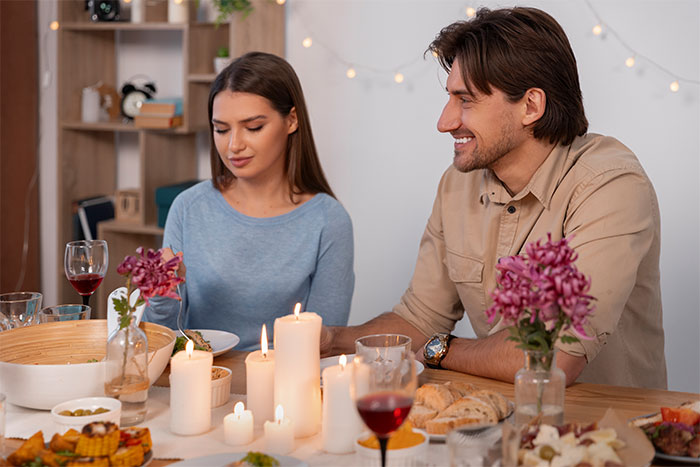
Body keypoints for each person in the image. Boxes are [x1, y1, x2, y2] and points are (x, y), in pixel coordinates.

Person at [320, 7, 666, 389]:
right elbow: (420, 319)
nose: (445, 122)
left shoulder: (609, 185)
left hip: (608, 435)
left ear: (531, 106)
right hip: (501, 428)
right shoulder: (457, 185)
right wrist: (329, 341)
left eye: (465, 101)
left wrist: (442, 350)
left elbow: (552, 356)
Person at [144, 52, 355, 351]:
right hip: (200, 379)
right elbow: (161, 336)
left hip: (283, 385)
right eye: (221, 129)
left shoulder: (328, 221)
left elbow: (323, 342)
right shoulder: (188, 208)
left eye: (253, 127)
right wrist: (161, 292)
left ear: (291, 120)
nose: (234, 146)